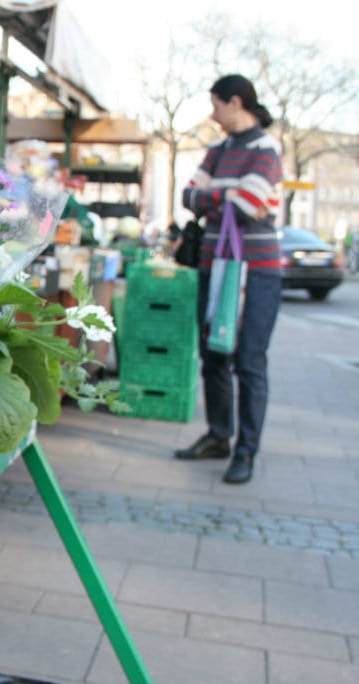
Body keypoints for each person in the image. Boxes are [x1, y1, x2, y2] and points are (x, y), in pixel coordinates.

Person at [175, 74, 283, 484]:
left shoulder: (266, 148)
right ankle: (219, 435)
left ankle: (246, 451)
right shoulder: (217, 150)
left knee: (250, 360)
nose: (212, 114)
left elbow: (246, 205)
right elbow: (188, 197)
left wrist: (213, 201)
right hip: (213, 265)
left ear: (236, 103)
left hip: (257, 272)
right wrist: (227, 199)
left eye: (216, 105)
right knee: (213, 353)